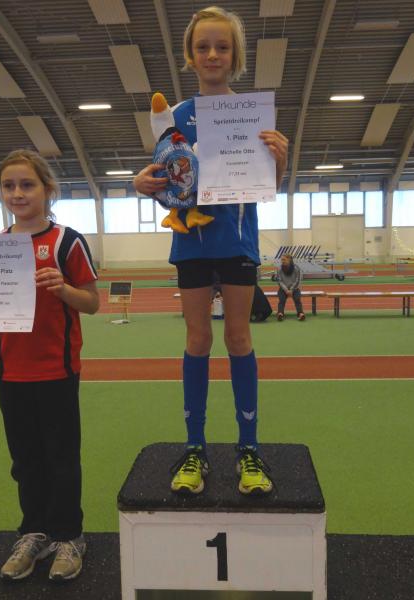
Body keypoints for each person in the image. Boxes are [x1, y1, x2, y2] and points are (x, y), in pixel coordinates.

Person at [134, 6, 289, 496]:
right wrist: (141, 184)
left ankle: (249, 449)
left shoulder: (252, 115)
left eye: (222, 47)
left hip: (238, 241)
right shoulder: (176, 116)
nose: (213, 54)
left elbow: (266, 186)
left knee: (238, 337)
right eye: (203, 47)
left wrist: (280, 162)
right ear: (191, 55)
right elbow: (165, 176)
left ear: (235, 55)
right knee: (198, 339)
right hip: (191, 244)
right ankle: (195, 448)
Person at [0, 149, 99, 582]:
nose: (17, 193)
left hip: (56, 370)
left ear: (47, 189)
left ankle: (69, 536)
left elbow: (92, 302)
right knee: (25, 460)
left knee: (61, 458)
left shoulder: (67, 241)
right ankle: (34, 533)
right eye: (9, 185)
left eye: (27, 185)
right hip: (10, 372)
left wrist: (63, 288)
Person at [276, 254, 305, 321]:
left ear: (289, 260)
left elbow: (298, 280)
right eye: (281, 260)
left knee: (297, 299)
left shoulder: (296, 268)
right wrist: (286, 290)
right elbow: (279, 281)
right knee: (281, 300)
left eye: (284, 259)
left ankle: (300, 314)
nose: (282, 261)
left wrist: (291, 289)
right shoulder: (279, 268)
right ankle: (280, 314)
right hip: (283, 289)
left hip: (295, 289)